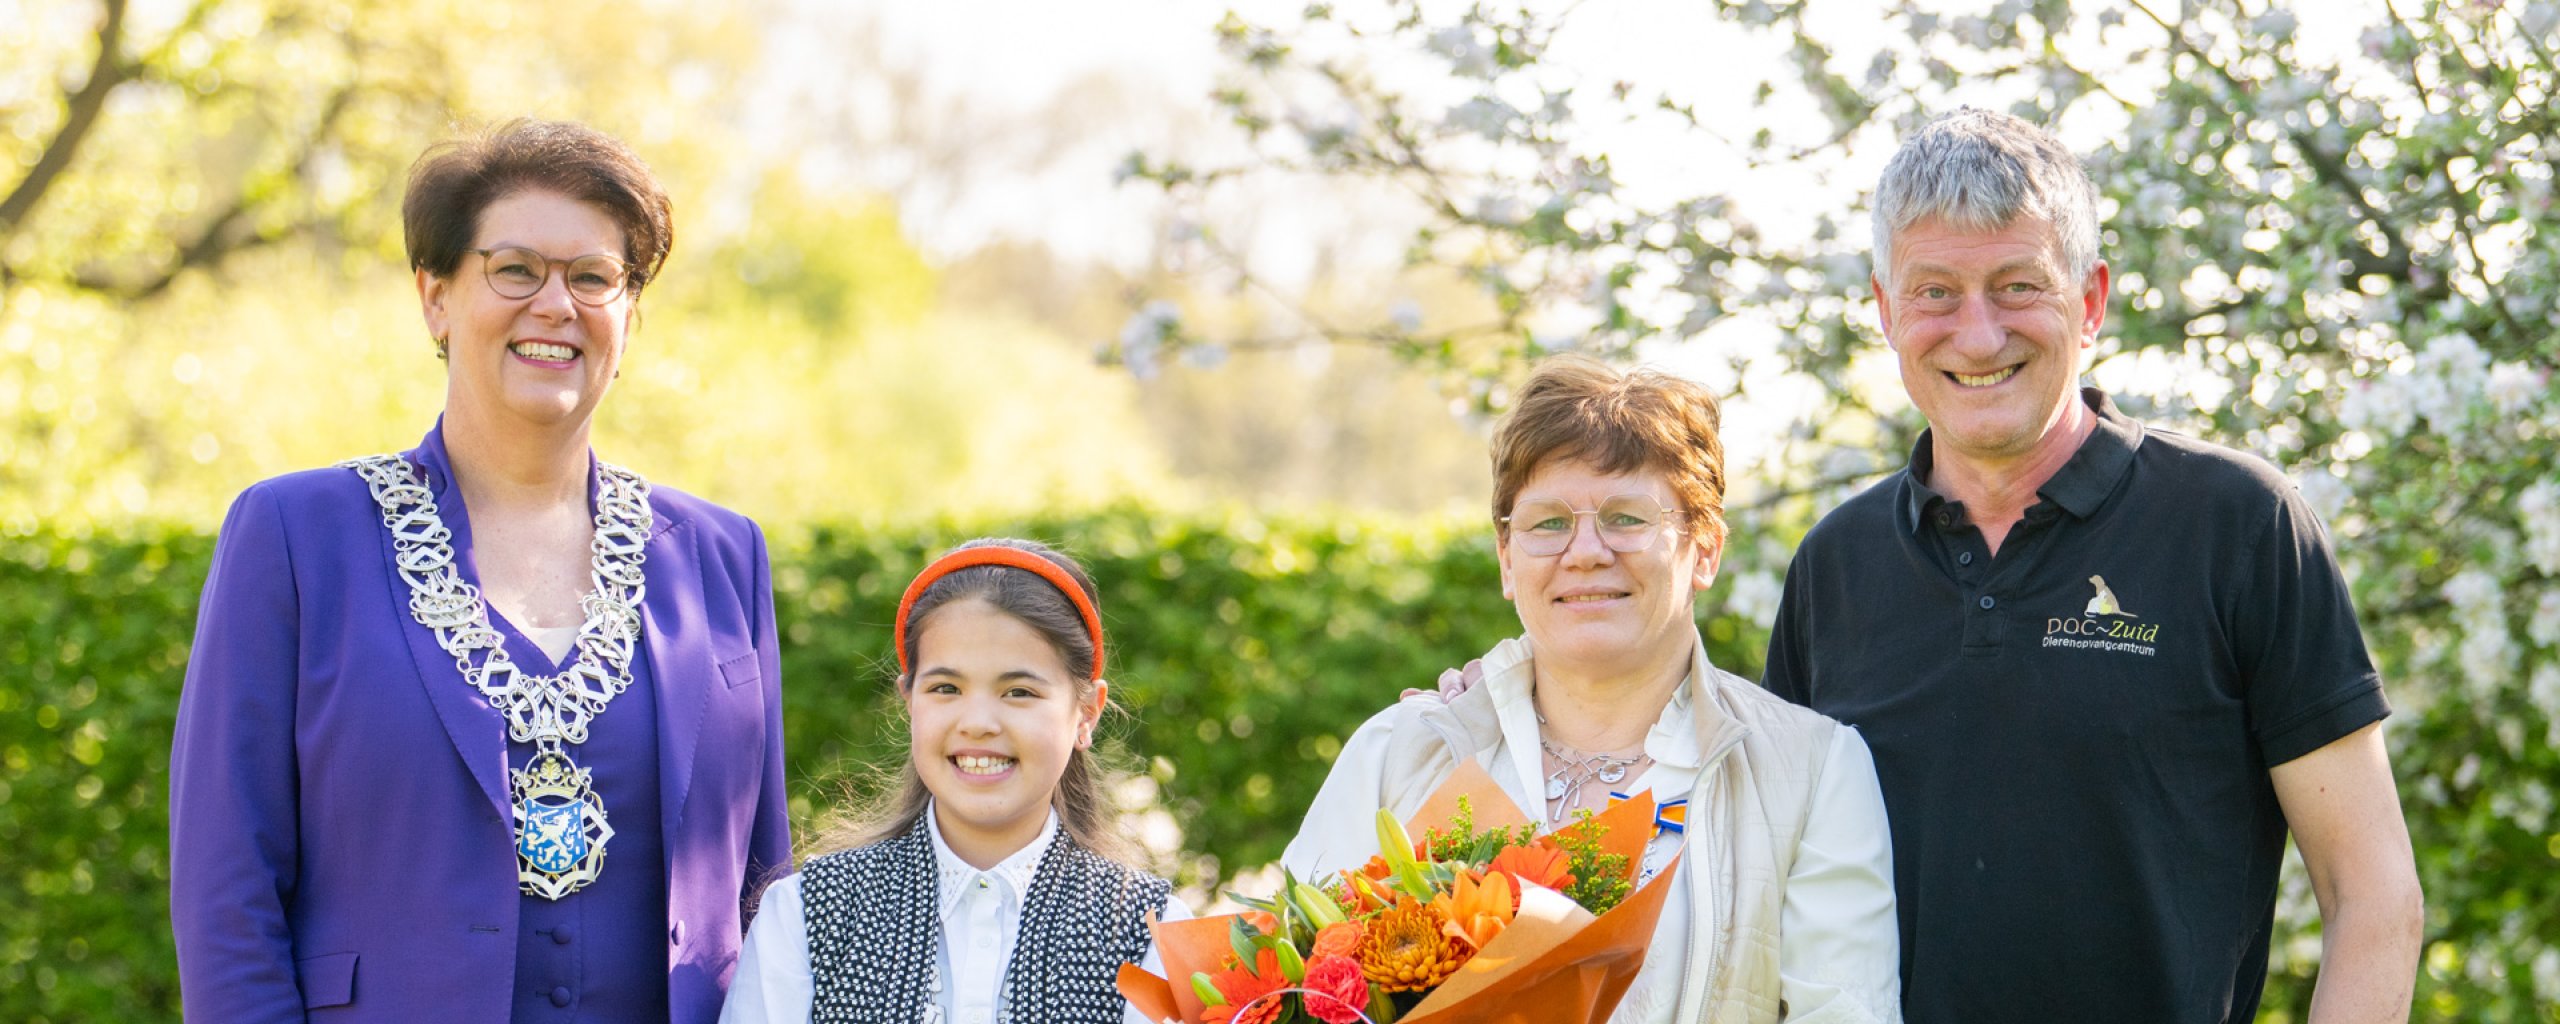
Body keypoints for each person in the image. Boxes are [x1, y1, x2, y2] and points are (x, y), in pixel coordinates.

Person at [1761, 108, 2424, 1023]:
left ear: (2090, 299)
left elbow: (2373, 893)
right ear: (1885, 310)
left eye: (2017, 285)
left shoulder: (2239, 526)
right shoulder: (1834, 566)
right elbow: (1779, 903)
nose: (1980, 334)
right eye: (1936, 292)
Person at [169, 119, 791, 1023]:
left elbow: (763, 895)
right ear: (436, 298)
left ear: (628, 315)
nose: (556, 305)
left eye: (593, 278)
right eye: (515, 270)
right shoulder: (296, 535)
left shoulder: (723, 555)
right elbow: (226, 890)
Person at [1287, 356, 1901, 1023]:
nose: (1584, 551)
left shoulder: (1812, 771)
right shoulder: (1402, 752)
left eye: (1626, 517)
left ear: (1705, 550)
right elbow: (1286, 989)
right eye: (1548, 522)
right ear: (1506, 559)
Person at [721, 538, 1193, 1024]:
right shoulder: (806, 916)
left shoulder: (1153, 936)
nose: (978, 722)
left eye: (1019, 691)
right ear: (910, 702)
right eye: (946, 688)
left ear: (1086, 713)